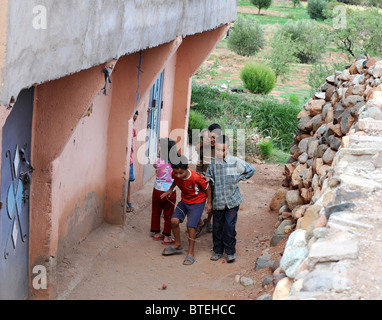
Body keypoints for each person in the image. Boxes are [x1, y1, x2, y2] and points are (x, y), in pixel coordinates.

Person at [205, 135, 255, 263]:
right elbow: (209, 180)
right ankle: (218, 251)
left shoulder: (234, 161)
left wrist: (240, 178)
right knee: (217, 227)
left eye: (222, 150)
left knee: (229, 226)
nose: (219, 152)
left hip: (232, 201)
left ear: (227, 149)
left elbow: (251, 170)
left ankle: (230, 252)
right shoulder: (213, 164)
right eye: (217, 150)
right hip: (218, 202)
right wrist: (209, 201)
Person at [160, 155, 211, 265]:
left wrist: (209, 203)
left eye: (181, 173)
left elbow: (207, 187)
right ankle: (178, 245)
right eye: (176, 172)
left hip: (197, 202)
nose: (178, 175)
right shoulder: (175, 174)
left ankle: (191, 253)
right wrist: (170, 190)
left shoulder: (196, 177)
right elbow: (175, 180)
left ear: (187, 168)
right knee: (174, 221)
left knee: (190, 227)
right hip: (185, 201)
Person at [195, 123, 222, 235]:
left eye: (214, 138)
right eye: (210, 137)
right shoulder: (204, 149)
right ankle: (198, 222)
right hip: (202, 180)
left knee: (213, 204)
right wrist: (197, 178)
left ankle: (209, 220)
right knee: (198, 202)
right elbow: (200, 164)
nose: (212, 140)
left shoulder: (221, 150)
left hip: (215, 182)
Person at [150, 138, 178, 244]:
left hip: (157, 190)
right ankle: (167, 236)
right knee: (168, 214)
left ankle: (156, 234)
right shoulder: (176, 163)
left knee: (156, 211)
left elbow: (155, 166)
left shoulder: (158, 161)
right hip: (170, 191)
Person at [127, 111, 139, 212]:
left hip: (130, 159)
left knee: (129, 182)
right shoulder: (126, 129)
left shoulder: (133, 129)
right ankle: (125, 202)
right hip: (126, 159)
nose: (133, 122)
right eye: (133, 119)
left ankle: (128, 200)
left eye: (135, 120)